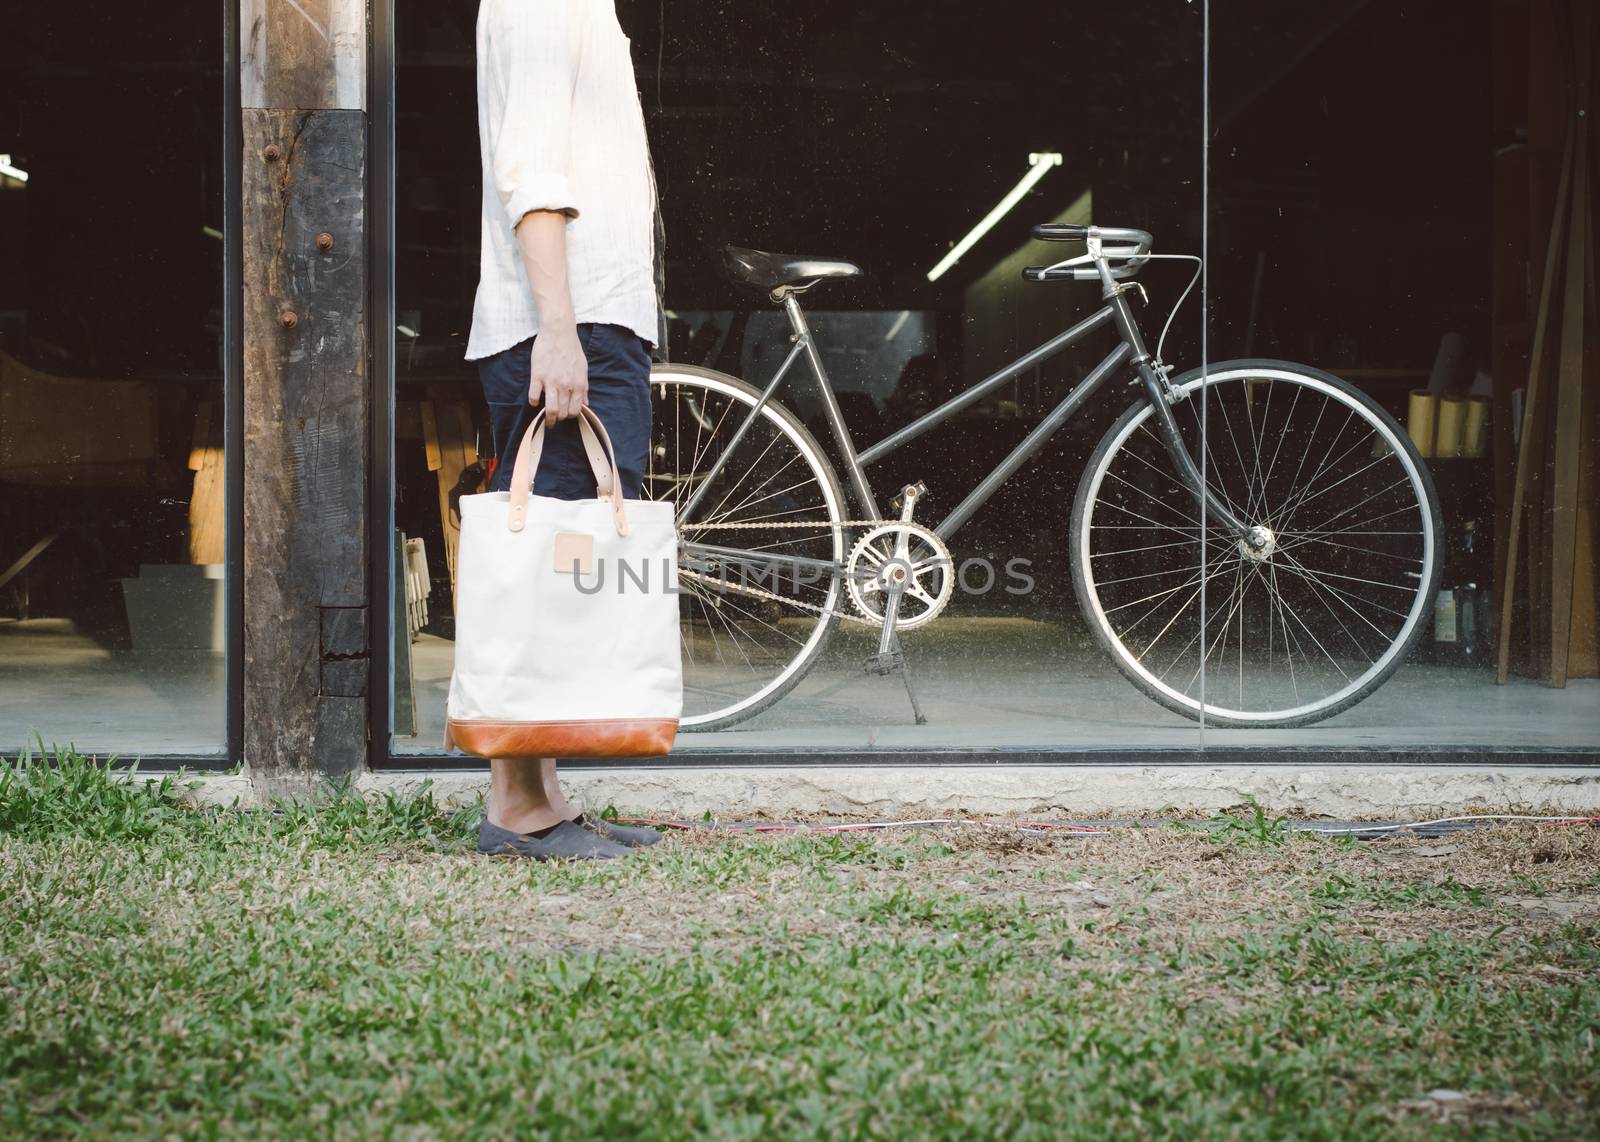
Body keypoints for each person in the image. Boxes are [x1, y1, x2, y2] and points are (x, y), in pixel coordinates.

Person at [462, 0, 666, 860]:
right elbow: (534, 172)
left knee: (564, 554)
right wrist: (559, 328)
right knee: (550, 566)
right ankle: (516, 809)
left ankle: (545, 794)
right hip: (567, 321)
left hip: (587, 318)